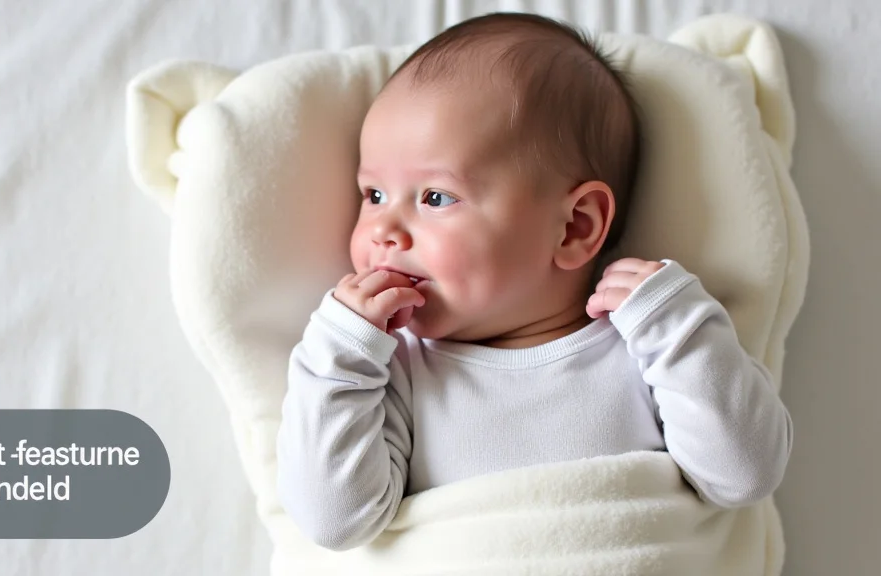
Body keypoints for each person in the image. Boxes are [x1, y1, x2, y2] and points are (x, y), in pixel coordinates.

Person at [276, 12, 793, 552]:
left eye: (435, 197)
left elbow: (743, 476)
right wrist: (339, 356)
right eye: (374, 195)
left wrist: (680, 327)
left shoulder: (643, 349)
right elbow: (334, 522)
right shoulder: (394, 373)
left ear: (575, 226)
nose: (382, 230)